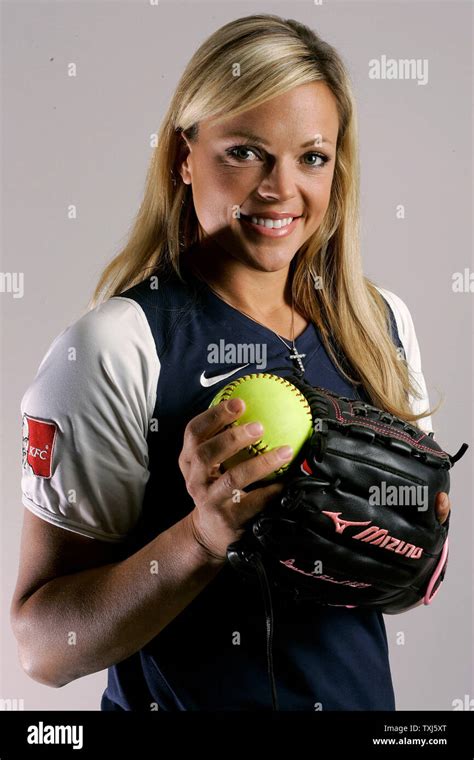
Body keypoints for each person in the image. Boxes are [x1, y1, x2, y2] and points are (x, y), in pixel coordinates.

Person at [11, 14, 451, 711]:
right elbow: (41, 647)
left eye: (312, 157)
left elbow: (397, 586)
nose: (280, 188)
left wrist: (410, 538)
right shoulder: (118, 346)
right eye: (246, 152)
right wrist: (199, 538)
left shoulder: (380, 324)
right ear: (185, 157)